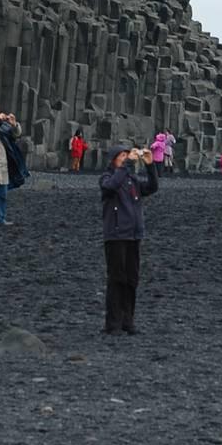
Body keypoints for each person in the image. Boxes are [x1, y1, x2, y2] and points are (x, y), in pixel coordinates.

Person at [101, 142, 158, 335]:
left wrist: (150, 166)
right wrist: (127, 166)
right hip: (116, 236)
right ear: (114, 160)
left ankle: (128, 321)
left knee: (131, 279)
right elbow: (110, 186)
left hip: (133, 236)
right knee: (116, 279)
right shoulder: (108, 178)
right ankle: (113, 323)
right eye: (122, 156)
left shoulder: (132, 180)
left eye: (128, 155)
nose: (126, 158)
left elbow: (151, 187)